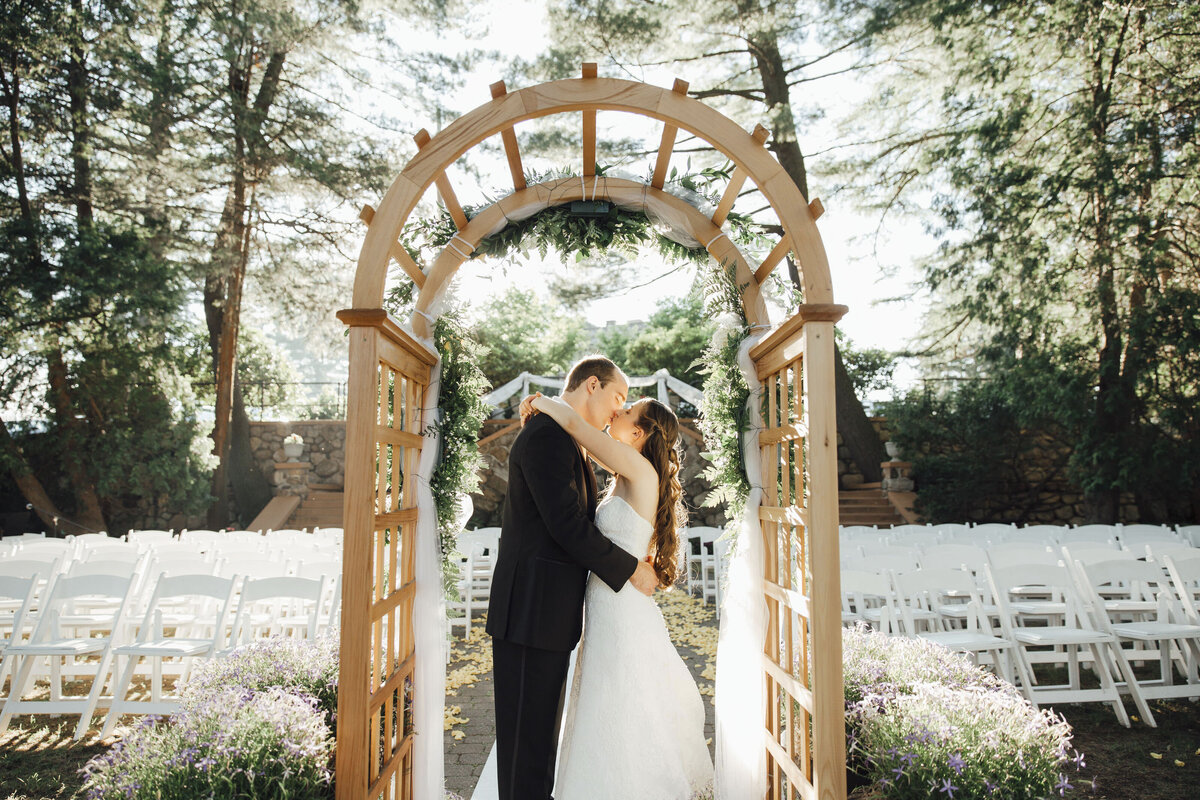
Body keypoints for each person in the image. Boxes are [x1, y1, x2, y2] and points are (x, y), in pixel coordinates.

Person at [520, 390, 714, 800]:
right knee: (610, 697)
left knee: (617, 697)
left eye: (626, 411)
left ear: (640, 433)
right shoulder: (629, 469)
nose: (617, 412)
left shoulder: (638, 468)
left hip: (619, 604)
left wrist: (541, 402)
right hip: (610, 601)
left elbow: (576, 426)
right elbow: (584, 440)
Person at [486, 356, 659, 800]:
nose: (617, 409)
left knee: (539, 745)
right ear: (592, 385)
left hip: (548, 616)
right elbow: (566, 525)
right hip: (530, 613)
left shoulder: (565, 436)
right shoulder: (546, 437)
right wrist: (629, 569)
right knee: (527, 748)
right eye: (617, 397)